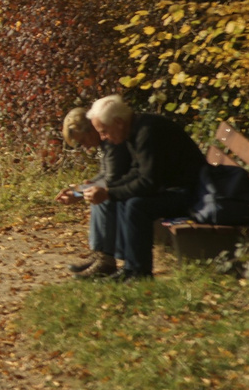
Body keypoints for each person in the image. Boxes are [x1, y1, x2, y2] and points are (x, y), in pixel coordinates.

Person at [79, 94, 206, 281]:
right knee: (126, 200)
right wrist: (110, 190)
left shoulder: (148, 132)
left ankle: (139, 271)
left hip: (191, 194)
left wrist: (109, 193)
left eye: (104, 131)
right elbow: (135, 172)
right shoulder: (135, 130)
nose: (103, 137)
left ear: (118, 122)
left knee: (136, 206)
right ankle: (130, 268)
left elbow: (148, 182)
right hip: (172, 189)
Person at [55, 107, 131, 278]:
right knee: (96, 193)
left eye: (83, 141)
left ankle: (105, 259)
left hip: (138, 188)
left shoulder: (112, 141)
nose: (85, 146)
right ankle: (99, 253)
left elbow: (112, 179)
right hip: (128, 185)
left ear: (91, 129)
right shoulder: (106, 144)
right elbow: (106, 174)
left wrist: (80, 192)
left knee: (102, 198)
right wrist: (78, 191)